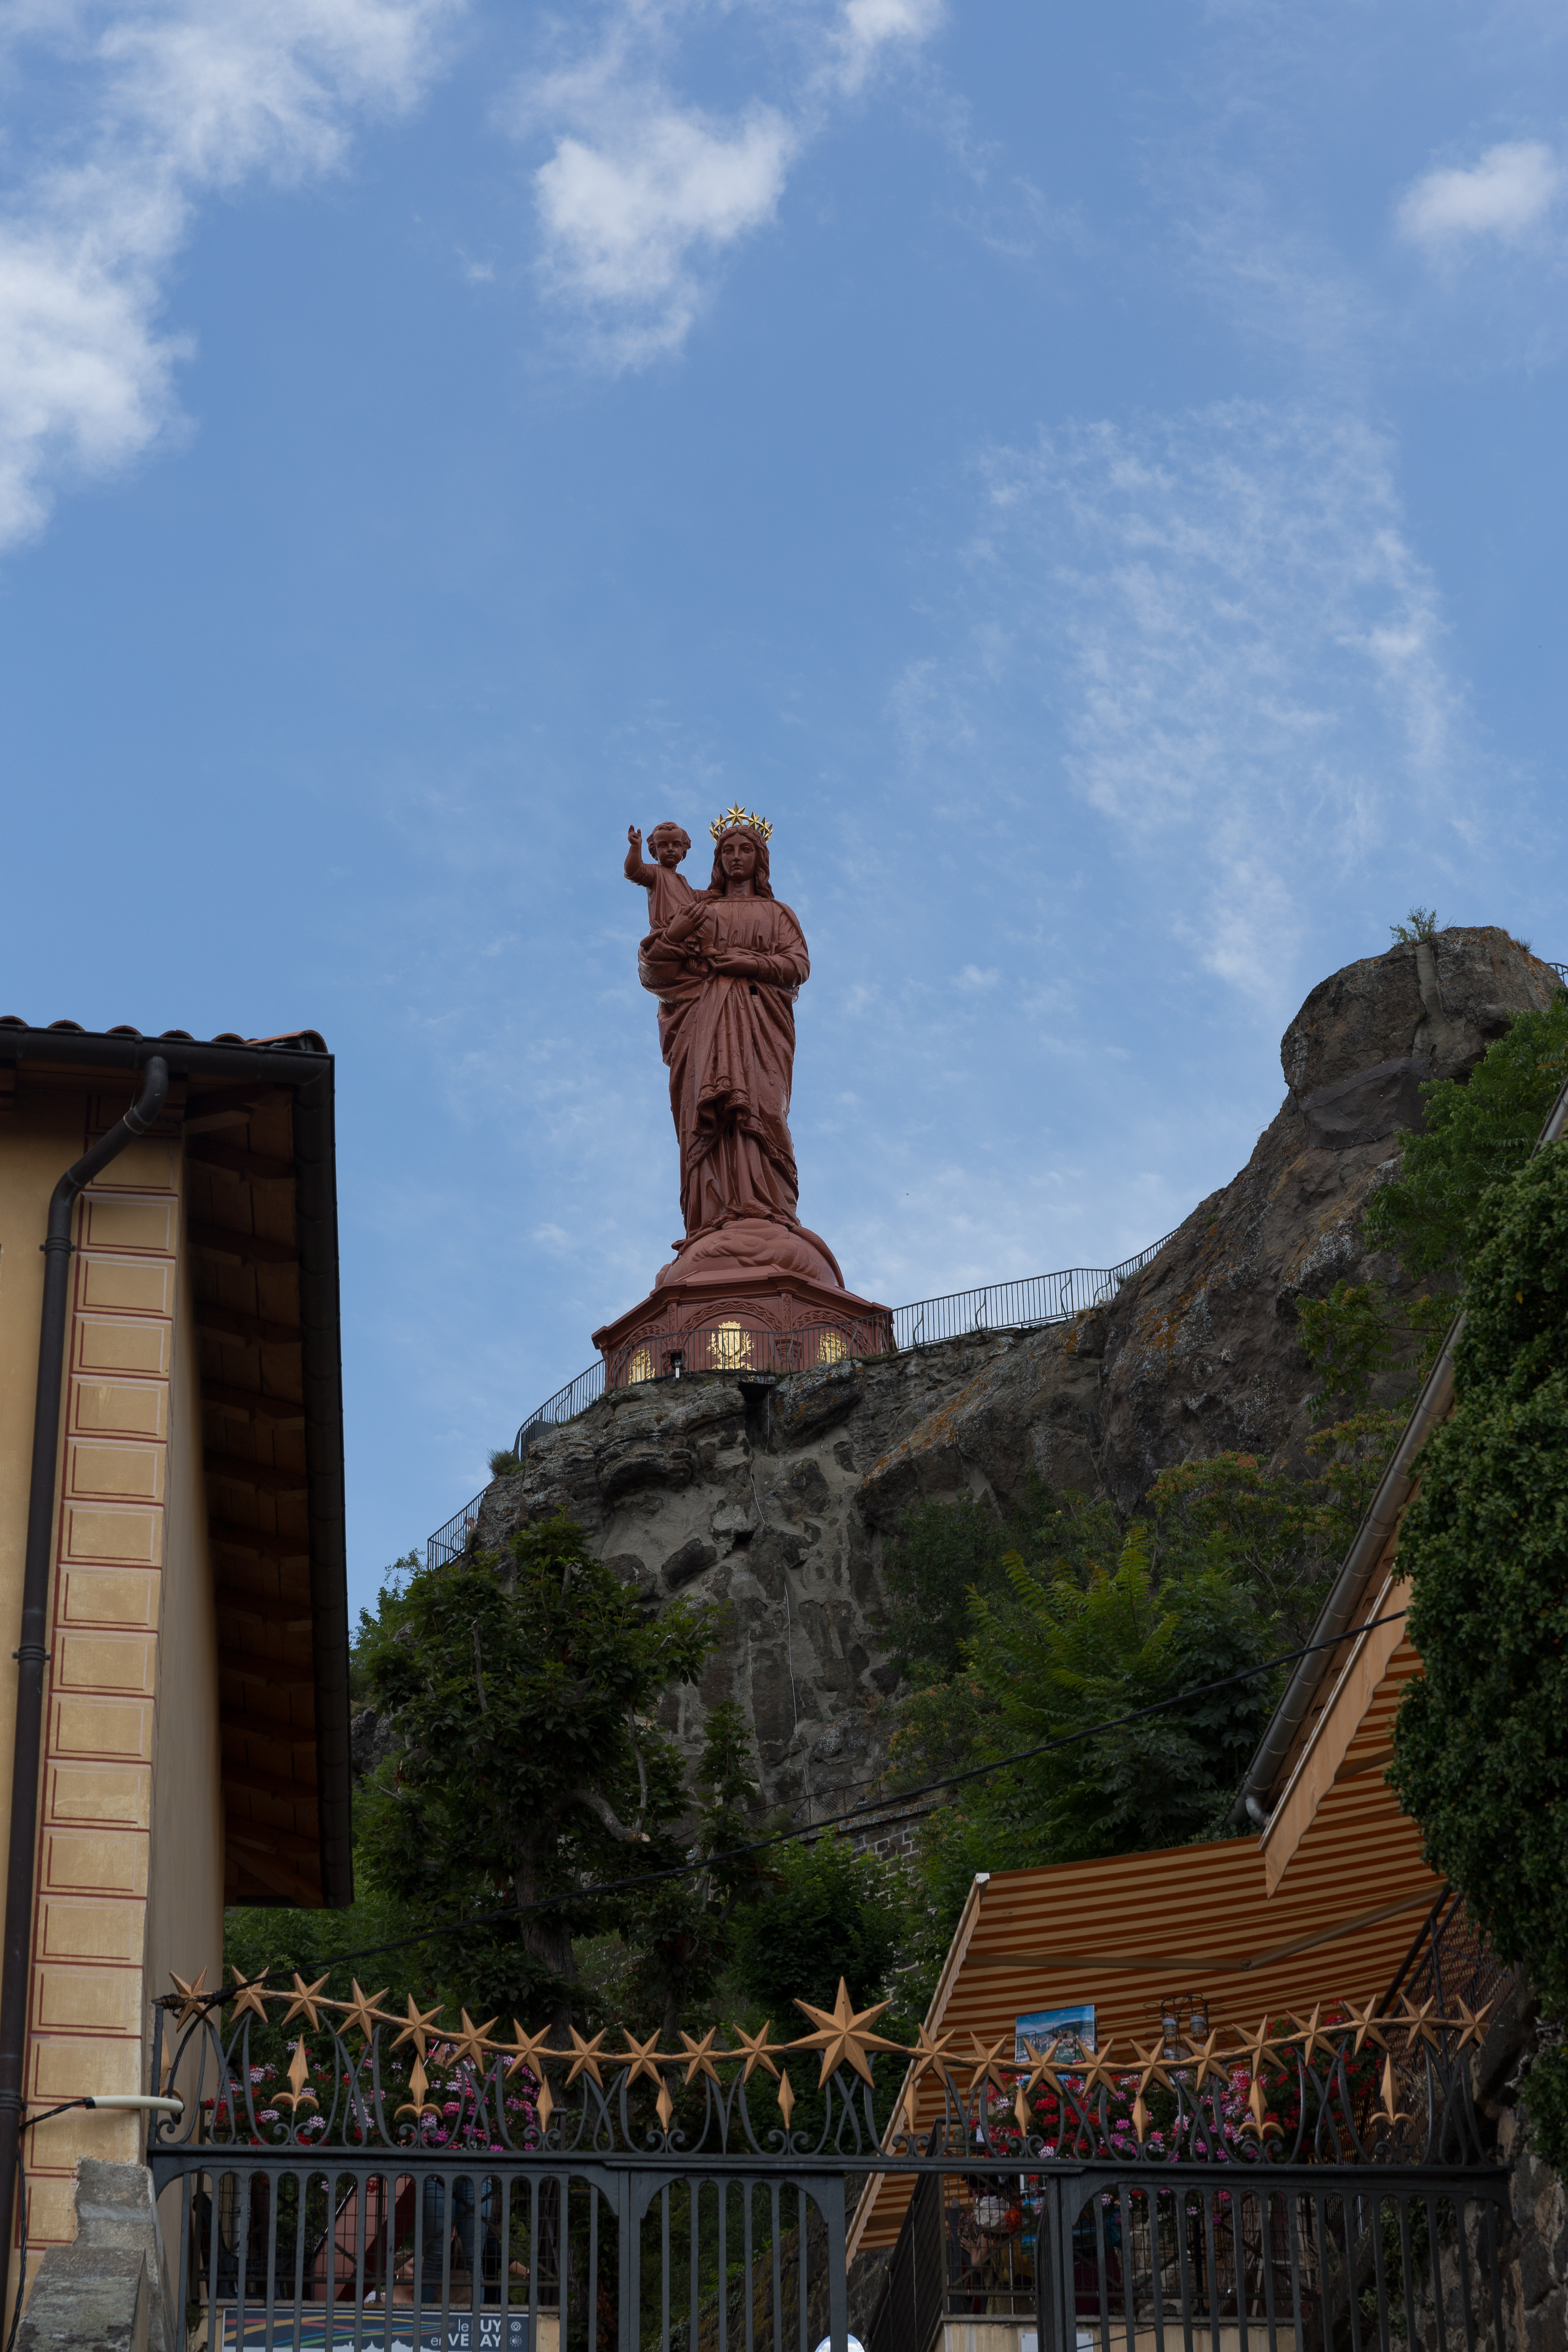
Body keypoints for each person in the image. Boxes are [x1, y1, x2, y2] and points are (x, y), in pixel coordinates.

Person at [638, 817, 810, 1241]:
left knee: (762, 1107)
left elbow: (797, 966)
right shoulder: (700, 910)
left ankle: (769, 1208)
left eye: (745, 850)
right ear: (717, 859)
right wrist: (675, 936)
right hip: (705, 1023)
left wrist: (747, 963)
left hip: (759, 1022)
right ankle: (711, 1216)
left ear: (759, 859)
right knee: (706, 1110)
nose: (736, 857)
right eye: (728, 850)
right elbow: (656, 973)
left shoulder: (777, 912)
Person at [624, 822, 697, 931]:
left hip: (688, 925)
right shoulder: (655, 872)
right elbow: (634, 871)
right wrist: (635, 846)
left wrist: (716, 892)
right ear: (654, 851)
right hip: (668, 927)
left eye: (676, 845)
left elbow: (695, 896)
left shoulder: (681, 880)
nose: (670, 849)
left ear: (684, 851)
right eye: (663, 845)